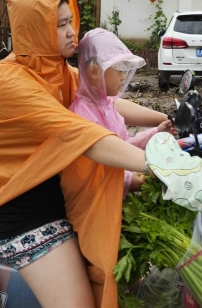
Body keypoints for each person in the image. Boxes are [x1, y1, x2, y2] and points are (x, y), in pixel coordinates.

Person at [0, 0, 174, 308]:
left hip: (56, 195)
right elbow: (86, 136)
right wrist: (159, 165)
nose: (72, 33)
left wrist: (163, 118)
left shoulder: (53, 69)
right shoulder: (14, 86)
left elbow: (104, 101)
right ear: (36, 31)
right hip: (19, 211)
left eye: (71, 22)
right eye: (60, 25)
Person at [68, 27, 174, 198]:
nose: (124, 77)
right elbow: (86, 171)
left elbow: (123, 148)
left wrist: (156, 132)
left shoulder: (108, 106)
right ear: (94, 71)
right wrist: (127, 180)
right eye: (119, 69)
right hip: (96, 205)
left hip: (114, 197)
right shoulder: (81, 115)